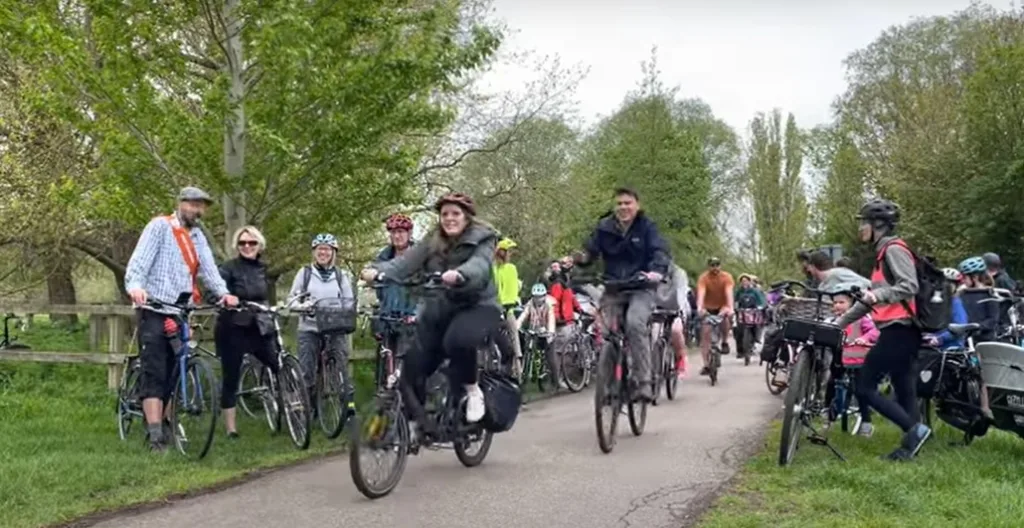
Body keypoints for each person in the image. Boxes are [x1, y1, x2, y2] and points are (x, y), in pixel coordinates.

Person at [360, 192, 500, 424]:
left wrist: (460, 274)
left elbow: (480, 265)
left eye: (455, 213)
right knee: (413, 365)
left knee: (458, 341)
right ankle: (419, 422)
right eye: (445, 214)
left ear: (466, 217)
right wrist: (375, 271)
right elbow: (404, 264)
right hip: (443, 307)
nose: (449, 218)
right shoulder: (432, 240)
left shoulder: (483, 237)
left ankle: (473, 391)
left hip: (479, 306)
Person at [124, 186, 239, 452]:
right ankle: (154, 435)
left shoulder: (198, 237)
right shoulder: (160, 227)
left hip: (180, 312)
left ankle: (166, 422)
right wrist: (136, 287)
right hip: (154, 308)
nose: (197, 211)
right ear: (181, 204)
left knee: (175, 371)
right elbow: (138, 264)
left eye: (201, 206)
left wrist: (224, 295)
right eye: (193, 204)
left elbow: (210, 272)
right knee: (155, 369)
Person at [833, 198, 931, 461]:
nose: (861, 228)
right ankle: (912, 446)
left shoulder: (893, 250)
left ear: (878, 224)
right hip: (901, 330)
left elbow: (909, 286)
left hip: (900, 330)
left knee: (865, 386)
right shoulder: (880, 255)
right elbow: (868, 303)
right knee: (904, 387)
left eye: (863, 222)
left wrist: (881, 295)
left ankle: (914, 430)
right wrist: (836, 325)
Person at [572, 187, 670, 402]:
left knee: (635, 324)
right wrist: (579, 258)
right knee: (607, 333)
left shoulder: (647, 227)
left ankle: (643, 382)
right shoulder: (604, 227)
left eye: (628, 203)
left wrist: (656, 271)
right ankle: (607, 384)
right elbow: (590, 250)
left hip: (641, 287)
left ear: (637, 205)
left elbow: (660, 251)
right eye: (619, 204)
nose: (623, 207)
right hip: (614, 287)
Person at [215, 226, 277, 439]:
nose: (247, 247)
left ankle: (289, 411)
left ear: (259, 245)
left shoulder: (264, 269)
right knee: (231, 377)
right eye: (242, 243)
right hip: (233, 327)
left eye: (252, 243)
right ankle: (231, 429)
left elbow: (266, 296)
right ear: (237, 246)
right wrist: (225, 298)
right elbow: (214, 290)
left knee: (278, 364)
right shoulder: (228, 268)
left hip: (259, 326)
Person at [288, 233, 357, 414]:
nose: (323, 253)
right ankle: (307, 407)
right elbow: (291, 300)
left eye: (327, 249)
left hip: (335, 328)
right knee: (307, 370)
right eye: (320, 249)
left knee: (340, 365)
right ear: (314, 252)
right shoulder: (305, 274)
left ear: (333, 253)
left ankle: (347, 408)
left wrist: (345, 310)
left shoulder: (341, 276)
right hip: (309, 327)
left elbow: (348, 300)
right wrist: (303, 306)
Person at [826, 292, 879, 437]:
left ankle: (866, 422)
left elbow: (875, 330)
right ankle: (829, 418)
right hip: (840, 360)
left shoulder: (861, 319)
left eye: (841, 302)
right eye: (834, 302)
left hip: (860, 361)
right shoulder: (833, 321)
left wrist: (864, 338)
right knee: (832, 385)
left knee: (861, 391)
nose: (837, 305)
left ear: (852, 304)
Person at [373, 214, 419, 357]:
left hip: (412, 318)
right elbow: (371, 275)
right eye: (393, 232)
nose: (397, 236)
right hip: (388, 318)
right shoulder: (383, 257)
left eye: (400, 232)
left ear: (409, 234)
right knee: (385, 362)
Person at [696, 257, 734, 374]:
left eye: (717, 265)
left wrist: (730, 308)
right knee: (705, 335)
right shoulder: (704, 278)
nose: (715, 268)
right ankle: (706, 365)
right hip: (708, 308)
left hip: (722, 306)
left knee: (725, 319)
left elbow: (729, 292)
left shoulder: (726, 277)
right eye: (712, 265)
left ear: (720, 266)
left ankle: (724, 341)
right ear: (709, 266)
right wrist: (699, 308)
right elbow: (701, 294)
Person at [516, 283, 558, 387]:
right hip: (534, 332)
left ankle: (555, 381)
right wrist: (516, 326)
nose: (538, 299)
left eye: (540, 297)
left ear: (544, 296)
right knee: (528, 351)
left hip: (547, 333)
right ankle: (527, 373)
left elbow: (551, 318)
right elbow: (524, 315)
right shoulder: (530, 304)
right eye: (535, 297)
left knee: (551, 358)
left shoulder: (549, 305)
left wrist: (550, 332)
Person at [652, 263, 690, 377]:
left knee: (676, 330)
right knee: (652, 335)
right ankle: (653, 364)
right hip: (657, 309)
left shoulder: (679, 273)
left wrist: (680, 312)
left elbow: (681, 293)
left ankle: (681, 358)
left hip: (677, 307)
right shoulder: (650, 270)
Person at [493, 237, 523, 371]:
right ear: (502, 252)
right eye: (508, 252)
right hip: (493, 310)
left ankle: (518, 369)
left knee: (513, 335)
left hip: (507, 309)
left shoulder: (511, 268)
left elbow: (511, 290)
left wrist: (508, 305)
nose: (510, 255)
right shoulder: (493, 268)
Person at [924, 268, 968, 350]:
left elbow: (960, 326)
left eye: (950, 284)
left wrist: (940, 338)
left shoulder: (955, 303)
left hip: (949, 348)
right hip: (931, 347)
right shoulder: (932, 301)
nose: (946, 287)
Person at [805, 250, 872, 292]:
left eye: (809, 267)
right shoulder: (821, 287)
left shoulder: (837, 273)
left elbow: (867, 283)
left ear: (813, 266)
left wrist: (841, 288)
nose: (808, 270)